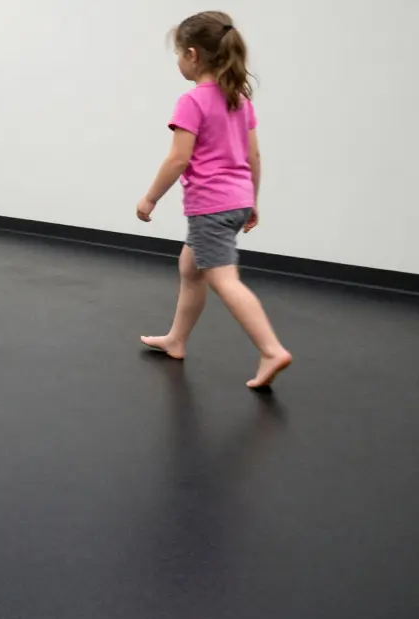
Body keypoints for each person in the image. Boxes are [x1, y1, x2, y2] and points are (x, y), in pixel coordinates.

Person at [137, 12, 292, 389]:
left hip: (211, 206)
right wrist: (252, 200)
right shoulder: (238, 100)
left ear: (193, 55)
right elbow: (253, 157)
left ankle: (271, 349)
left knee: (224, 280)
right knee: (191, 269)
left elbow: (178, 158)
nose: (177, 61)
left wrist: (150, 199)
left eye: (177, 54)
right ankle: (176, 339)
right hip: (236, 201)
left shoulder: (192, 102)